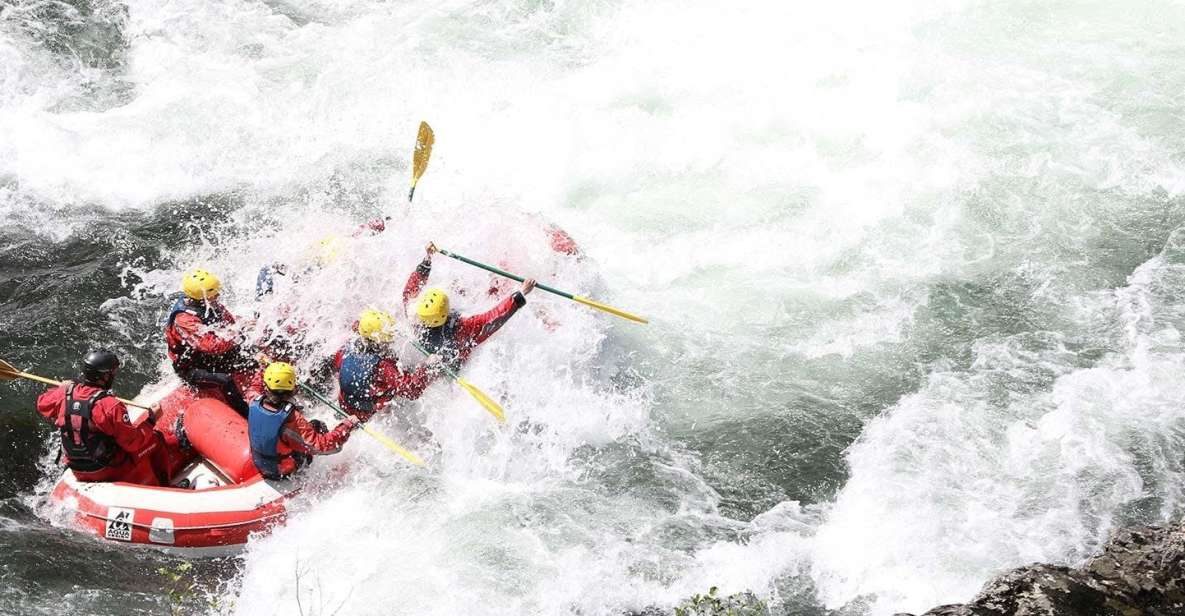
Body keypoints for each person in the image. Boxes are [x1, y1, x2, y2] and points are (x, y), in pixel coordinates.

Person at [35, 350, 163, 485]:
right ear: (105, 377)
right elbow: (133, 443)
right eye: (112, 373)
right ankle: (164, 484)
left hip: (77, 469)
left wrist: (61, 388)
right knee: (155, 438)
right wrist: (152, 420)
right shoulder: (110, 405)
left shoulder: (63, 394)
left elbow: (41, 404)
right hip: (106, 469)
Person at [402, 242, 536, 368]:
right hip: (456, 358)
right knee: (487, 301)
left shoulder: (413, 311)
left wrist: (427, 258)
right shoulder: (460, 329)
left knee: (458, 286)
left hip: (435, 347)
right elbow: (493, 318)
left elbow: (412, 287)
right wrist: (521, 293)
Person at [248, 362, 358, 480]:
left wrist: (263, 369)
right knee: (317, 425)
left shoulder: (253, 399)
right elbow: (323, 445)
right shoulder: (292, 419)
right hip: (282, 470)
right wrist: (347, 426)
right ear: (293, 390)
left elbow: (255, 387)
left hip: (260, 461)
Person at [164, 269, 251, 415]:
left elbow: (229, 322)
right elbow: (212, 346)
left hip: (206, 355)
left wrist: (243, 325)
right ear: (201, 297)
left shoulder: (210, 304)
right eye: (213, 294)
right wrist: (236, 333)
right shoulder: (184, 320)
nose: (218, 296)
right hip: (190, 366)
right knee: (226, 380)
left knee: (247, 355)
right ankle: (244, 413)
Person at [333, 309, 440, 420]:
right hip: (364, 411)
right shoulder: (383, 367)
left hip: (345, 399)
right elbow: (411, 390)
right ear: (379, 341)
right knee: (395, 383)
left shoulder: (347, 347)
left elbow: (338, 366)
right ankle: (384, 410)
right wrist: (427, 367)